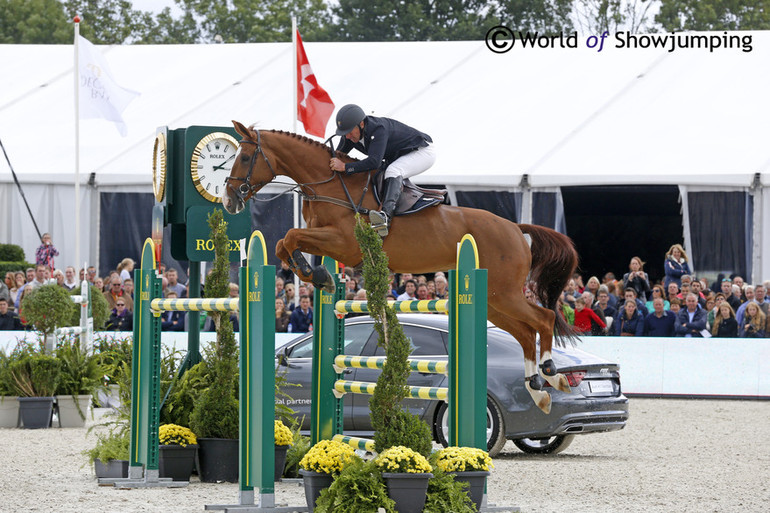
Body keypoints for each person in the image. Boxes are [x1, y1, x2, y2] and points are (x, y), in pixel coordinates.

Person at [330, 104, 435, 236]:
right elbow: (336, 154)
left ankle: (385, 216)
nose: (347, 137)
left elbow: (374, 161)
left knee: (394, 171)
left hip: (422, 152)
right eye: (344, 134)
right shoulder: (351, 135)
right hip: (400, 155)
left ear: (361, 124)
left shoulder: (378, 129)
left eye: (350, 132)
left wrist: (345, 167)